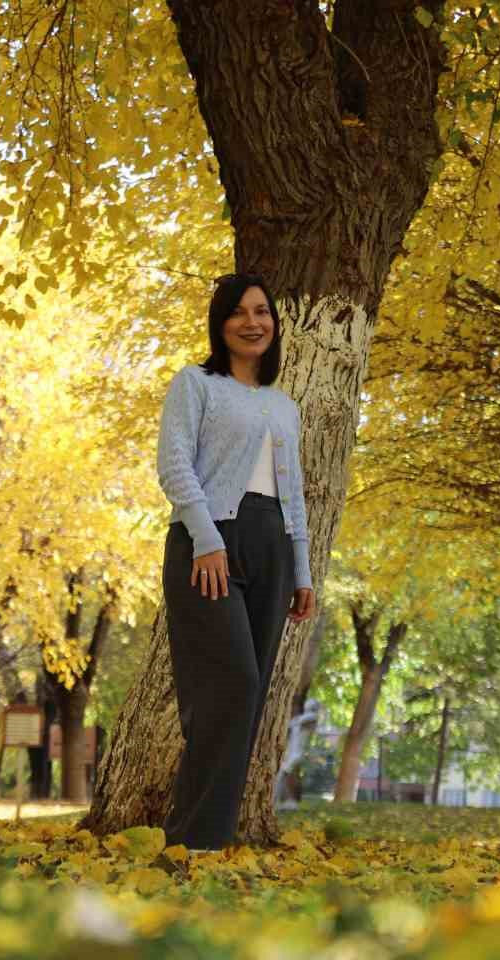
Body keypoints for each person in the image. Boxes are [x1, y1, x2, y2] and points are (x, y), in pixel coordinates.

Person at [156, 272, 316, 851]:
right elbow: (175, 466)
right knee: (231, 687)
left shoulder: (283, 406)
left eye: (263, 312)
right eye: (241, 312)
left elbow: (293, 493)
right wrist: (206, 538)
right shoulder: (196, 384)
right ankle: (192, 836)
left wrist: (301, 570)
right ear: (221, 322)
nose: (254, 323)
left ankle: (205, 838)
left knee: (248, 698)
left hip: (271, 544)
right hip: (209, 546)